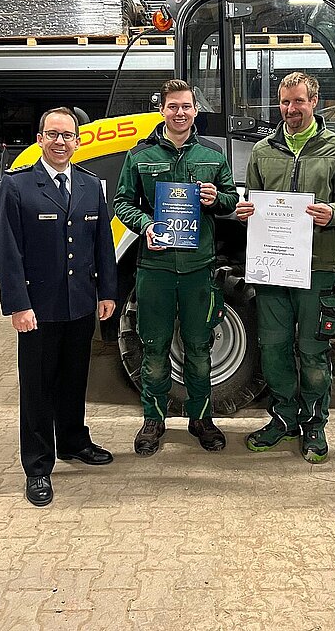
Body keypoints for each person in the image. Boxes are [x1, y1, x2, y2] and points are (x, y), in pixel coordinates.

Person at [0, 107, 117, 507]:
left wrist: (108, 293)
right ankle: (38, 465)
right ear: (40, 139)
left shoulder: (89, 185)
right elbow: (6, 252)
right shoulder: (15, 187)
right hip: (38, 308)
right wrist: (17, 305)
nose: (60, 142)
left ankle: (74, 442)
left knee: (73, 379)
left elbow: (102, 246)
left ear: (78, 140)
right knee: (36, 388)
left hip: (80, 303)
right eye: (53, 134)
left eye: (67, 135)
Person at [236, 71, 335, 463]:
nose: (291, 109)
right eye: (285, 102)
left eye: (299, 101)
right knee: (272, 349)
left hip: (317, 266)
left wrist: (332, 212)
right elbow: (253, 200)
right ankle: (284, 419)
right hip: (272, 268)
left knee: (312, 351)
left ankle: (315, 425)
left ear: (315, 102)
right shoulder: (262, 151)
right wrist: (246, 212)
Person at [114, 79, 239, 456]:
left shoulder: (213, 156)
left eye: (186, 106)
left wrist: (218, 198)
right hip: (154, 268)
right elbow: (122, 202)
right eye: (173, 106)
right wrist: (146, 225)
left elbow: (232, 199)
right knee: (153, 347)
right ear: (163, 110)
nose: (180, 112)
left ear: (195, 110)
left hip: (199, 268)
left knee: (200, 347)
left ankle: (202, 419)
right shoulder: (139, 156)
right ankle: (153, 420)